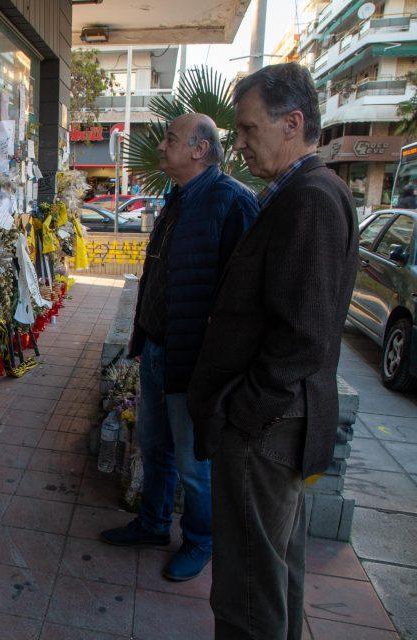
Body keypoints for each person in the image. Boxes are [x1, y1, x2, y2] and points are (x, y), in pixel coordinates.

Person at [187, 63, 359, 639]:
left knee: (248, 589)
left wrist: (244, 411)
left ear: (292, 123)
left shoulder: (310, 198)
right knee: (271, 574)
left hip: (268, 428)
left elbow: (303, 336)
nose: (238, 144)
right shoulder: (300, 192)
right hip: (272, 423)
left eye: (248, 128)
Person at [100, 113, 258, 582]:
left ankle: (199, 541)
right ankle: (152, 525)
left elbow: (244, 293)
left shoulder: (231, 201)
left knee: (193, 463)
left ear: (200, 150)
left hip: (194, 360)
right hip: (155, 349)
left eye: (171, 139)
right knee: (155, 447)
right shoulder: (178, 198)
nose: (161, 146)